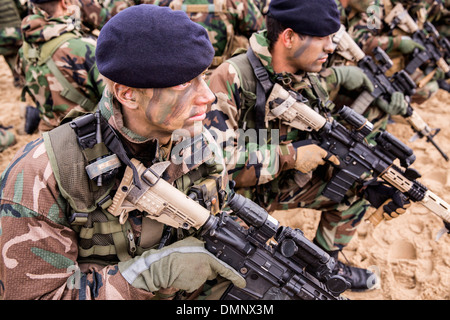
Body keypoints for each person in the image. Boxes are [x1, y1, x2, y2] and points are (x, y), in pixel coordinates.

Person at [0, 4, 245, 300]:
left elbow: (223, 207)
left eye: (204, 76)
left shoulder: (197, 140)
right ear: (127, 94)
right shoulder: (46, 175)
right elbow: (36, 295)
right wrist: (147, 276)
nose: (207, 95)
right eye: (184, 82)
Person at [204, 0, 410, 291]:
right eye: (322, 38)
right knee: (244, 278)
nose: (330, 47)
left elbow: (322, 144)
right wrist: (289, 156)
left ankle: (326, 266)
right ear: (288, 37)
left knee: (353, 191)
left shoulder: (308, 78)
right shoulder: (233, 76)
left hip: (277, 186)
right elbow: (211, 163)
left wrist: (366, 185)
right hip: (233, 200)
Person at [15, 0, 105, 133]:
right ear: (64, 3)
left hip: (49, 138)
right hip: (90, 137)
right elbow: (112, 97)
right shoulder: (84, 47)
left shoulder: (25, 50)